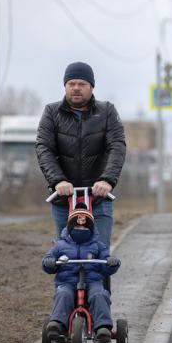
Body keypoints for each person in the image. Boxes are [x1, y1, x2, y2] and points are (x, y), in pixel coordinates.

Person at [35, 61, 126, 247]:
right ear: (65, 86)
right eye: (71, 83)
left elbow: (117, 146)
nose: (76, 88)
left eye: (82, 84)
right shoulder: (52, 112)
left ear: (91, 87)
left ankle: (99, 277)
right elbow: (44, 148)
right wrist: (57, 181)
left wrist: (107, 180)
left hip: (98, 197)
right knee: (65, 255)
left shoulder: (107, 111)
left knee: (99, 254)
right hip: (63, 198)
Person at [42, 203, 121, 343]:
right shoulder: (60, 245)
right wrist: (50, 262)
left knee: (99, 294)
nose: (81, 229)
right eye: (77, 227)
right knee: (63, 294)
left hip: (92, 281)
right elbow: (48, 259)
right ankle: (58, 323)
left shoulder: (97, 246)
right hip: (67, 281)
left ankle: (103, 327)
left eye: (85, 227)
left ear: (91, 229)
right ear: (70, 227)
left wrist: (111, 263)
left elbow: (105, 262)